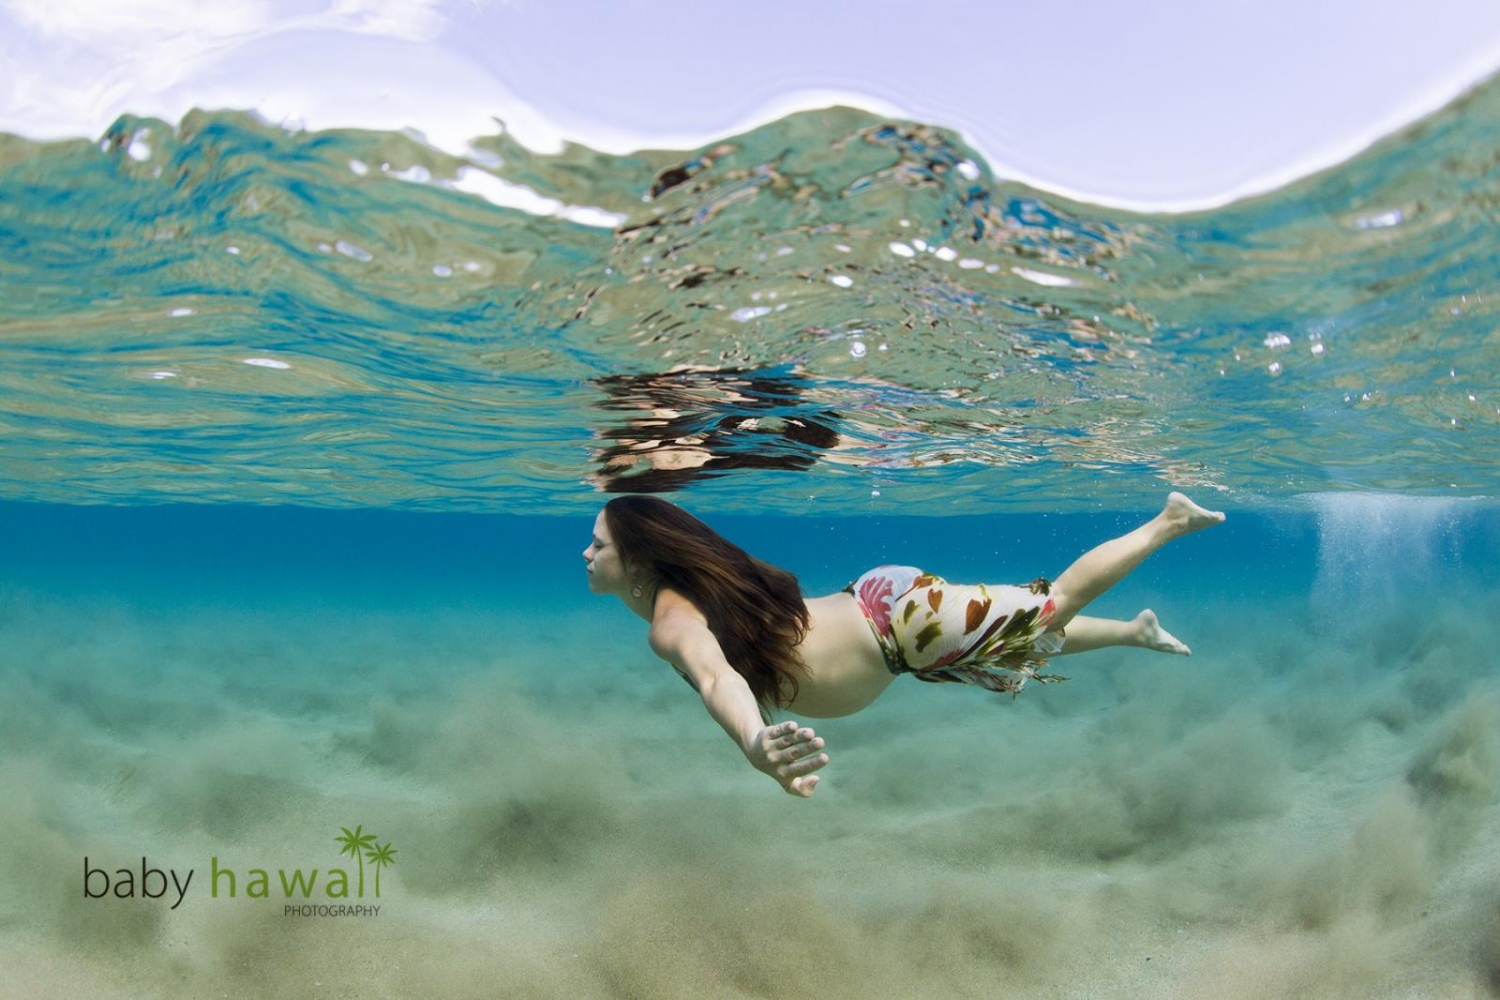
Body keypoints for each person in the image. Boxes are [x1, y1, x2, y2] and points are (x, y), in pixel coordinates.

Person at [583, 493, 1225, 798]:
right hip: (891, 624)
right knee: (1020, 644)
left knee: (1049, 606)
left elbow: (717, 676)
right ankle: (1135, 632)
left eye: (599, 546)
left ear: (638, 560)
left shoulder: (670, 623)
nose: (586, 555)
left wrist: (755, 744)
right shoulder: (696, 587)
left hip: (898, 625)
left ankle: (1168, 521)